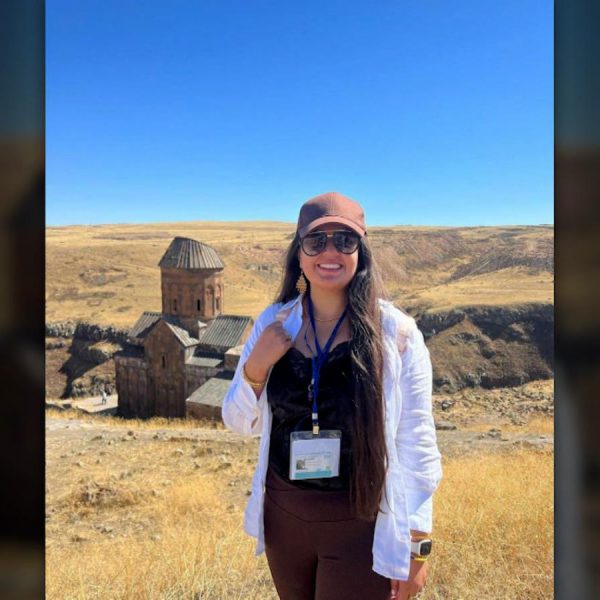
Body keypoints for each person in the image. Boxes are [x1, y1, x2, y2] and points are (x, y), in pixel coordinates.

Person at [222, 192, 442, 600]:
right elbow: (238, 422)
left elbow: (417, 442)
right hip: (285, 520)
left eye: (344, 240)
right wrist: (256, 367)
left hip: (360, 523)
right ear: (299, 252)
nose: (330, 252)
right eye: (316, 241)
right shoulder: (273, 323)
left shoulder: (396, 334)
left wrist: (418, 545)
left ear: (361, 251)